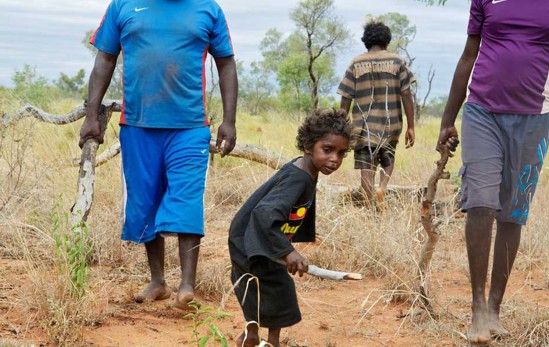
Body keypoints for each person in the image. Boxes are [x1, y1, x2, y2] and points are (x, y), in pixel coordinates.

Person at [79, 0, 238, 310]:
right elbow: (105, 59)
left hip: (190, 127)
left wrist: (229, 121)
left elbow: (227, 63)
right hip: (137, 125)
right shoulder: (122, 5)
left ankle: (187, 286)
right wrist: (91, 114)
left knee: (187, 198)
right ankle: (158, 281)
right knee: (145, 201)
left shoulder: (208, 9)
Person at [437, 0, 549, 344]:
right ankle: (476, 308)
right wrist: (447, 120)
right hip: (482, 111)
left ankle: (494, 307)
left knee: (512, 214)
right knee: (481, 205)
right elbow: (469, 54)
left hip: (536, 117)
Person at [228, 108, 352, 347]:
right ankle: (266, 340)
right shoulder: (299, 178)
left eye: (341, 153)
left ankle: (254, 336)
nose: (335, 159)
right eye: (327, 149)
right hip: (248, 237)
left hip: (252, 234)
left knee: (259, 285)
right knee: (274, 286)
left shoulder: (306, 170)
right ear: (308, 146)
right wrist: (288, 252)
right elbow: (264, 214)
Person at [337, 20, 415, 209]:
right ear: (386, 41)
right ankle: (383, 187)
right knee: (388, 159)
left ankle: (371, 208)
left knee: (366, 169)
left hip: (362, 127)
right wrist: (411, 126)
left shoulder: (356, 63)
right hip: (391, 124)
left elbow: (346, 97)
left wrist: (340, 123)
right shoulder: (398, 61)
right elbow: (406, 93)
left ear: (366, 41)